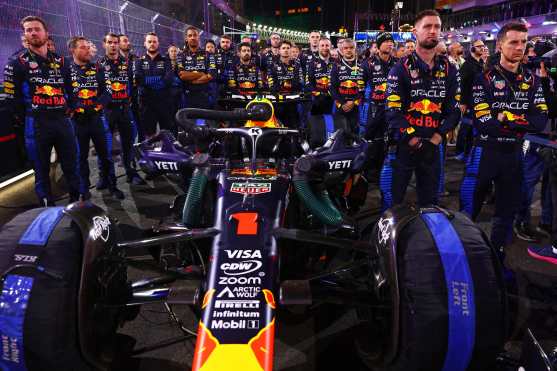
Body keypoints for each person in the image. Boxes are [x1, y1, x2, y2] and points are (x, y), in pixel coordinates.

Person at [460, 22, 547, 263]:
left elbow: (540, 121)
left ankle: (497, 258)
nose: (520, 47)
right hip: (484, 152)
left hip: (514, 154)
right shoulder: (482, 79)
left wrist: (506, 116)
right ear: (500, 45)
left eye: (524, 42)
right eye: (514, 42)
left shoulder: (532, 80)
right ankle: (461, 254)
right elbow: (484, 121)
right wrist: (521, 120)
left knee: (505, 214)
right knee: (468, 211)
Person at [4, 16, 85, 205]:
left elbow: (73, 89)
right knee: (41, 172)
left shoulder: (62, 62)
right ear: (24, 35)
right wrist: (27, 118)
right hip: (36, 124)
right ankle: (47, 213)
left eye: (36, 29)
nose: (33, 32)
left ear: (46, 33)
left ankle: (78, 207)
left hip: (63, 122)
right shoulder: (16, 63)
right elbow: (11, 100)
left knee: (72, 167)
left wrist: (72, 108)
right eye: (28, 30)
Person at [385, 9, 461, 208]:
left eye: (437, 27)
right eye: (427, 26)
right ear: (415, 32)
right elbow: (393, 110)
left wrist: (437, 137)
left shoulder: (449, 69)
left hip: (434, 145)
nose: (433, 31)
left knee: (430, 202)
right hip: (405, 144)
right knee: (395, 200)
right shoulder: (400, 68)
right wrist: (413, 139)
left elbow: (454, 110)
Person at [68, 36, 124, 200]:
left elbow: (107, 92)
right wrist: (75, 109)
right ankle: (84, 191)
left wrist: (93, 108)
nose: (88, 50)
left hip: (97, 119)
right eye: (83, 47)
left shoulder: (98, 68)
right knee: (81, 158)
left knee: (106, 154)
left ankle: (112, 185)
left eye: (88, 47)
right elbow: (65, 94)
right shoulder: (66, 70)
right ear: (73, 50)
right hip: (77, 122)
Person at [98, 32, 145, 185]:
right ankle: (105, 177)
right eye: (110, 42)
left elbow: (132, 85)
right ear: (104, 44)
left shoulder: (127, 63)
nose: (113, 45)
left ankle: (131, 173)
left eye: (115, 43)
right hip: (107, 111)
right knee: (105, 145)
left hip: (125, 109)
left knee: (128, 142)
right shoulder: (98, 65)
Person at [362, 32, 397, 191]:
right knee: (371, 140)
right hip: (373, 109)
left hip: (391, 109)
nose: (390, 45)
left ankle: (384, 170)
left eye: (391, 42)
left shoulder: (397, 63)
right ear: (378, 45)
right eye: (386, 42)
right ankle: (369, 171)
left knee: (387, 140)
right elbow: (360, 87)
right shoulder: (367, 63)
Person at [136, 32, 175, 136]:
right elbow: (139, 80)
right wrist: (160, 80)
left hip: (164, 104)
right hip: (146, 104)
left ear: (158, 43)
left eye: (154, 41)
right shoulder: (139, 61)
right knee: (148, 137)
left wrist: (148, 83)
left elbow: (168, 79)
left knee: (167, 135)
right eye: (149, 41)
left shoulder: (166, 61)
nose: (152, 44)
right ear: (145, 43)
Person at [454, 38, 486, 161]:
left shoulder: (481, 63)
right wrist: (462, 102)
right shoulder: (467, 65)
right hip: (468, 102)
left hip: (478, 101)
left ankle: (468, 152)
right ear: (472, 48)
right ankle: (460, 152)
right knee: (465, 128)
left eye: (483, 46)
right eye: (479, 46)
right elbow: (462, 84)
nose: (482, 48)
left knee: (473, 128)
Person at [330, 38, 368, 134]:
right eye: (345, 48)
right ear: (341, 50)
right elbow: (332, 87)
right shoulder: (336, 65)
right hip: (340, 104)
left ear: (355, 49)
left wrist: (353, 101)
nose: (348, 50)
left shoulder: (362, 64)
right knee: (339, 132)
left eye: (351, 47)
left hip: (356, 104)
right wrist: (343, 103)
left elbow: (365, 86)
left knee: (355, 131)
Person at [178, 26, 216, 109]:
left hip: (204, 97)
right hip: (187, 98)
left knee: (204, 122)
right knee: (187, 122)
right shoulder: (181, 55)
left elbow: (210, 75)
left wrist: (191, 79)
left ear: (198, 37)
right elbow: (182, 75)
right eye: (190, 35)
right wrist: (201, 74)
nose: (193, 38)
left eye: (195, 35)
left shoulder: (208, 55)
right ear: (186, 38)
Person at [268, 40, 304, 128]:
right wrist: (289, 84)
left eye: (288, 48)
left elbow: (299, 84)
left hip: (293, 102)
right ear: (279, 50)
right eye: (283, 48)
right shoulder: (272, 65)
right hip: (278, 103)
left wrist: (282, 84)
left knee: (294, 127)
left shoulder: (297, 65)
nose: (286, 50)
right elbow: (272, 86)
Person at [306, 37, 334, 114]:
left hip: (333, 99)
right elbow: (309, 82)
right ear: (318, 47)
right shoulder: (312, 63)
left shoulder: (336, 63)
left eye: (327, 45)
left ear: (331, 47)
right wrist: (318, 95)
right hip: (317, 100)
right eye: (322, 45)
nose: (325, 48)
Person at [168, 44, 185, 120]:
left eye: (175, 51)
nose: (174, 53)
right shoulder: (165, 64)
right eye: (172, 51)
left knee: (182, 114)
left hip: (181, 93)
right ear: (168, 52)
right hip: (169, 94)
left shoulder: (182, 63)